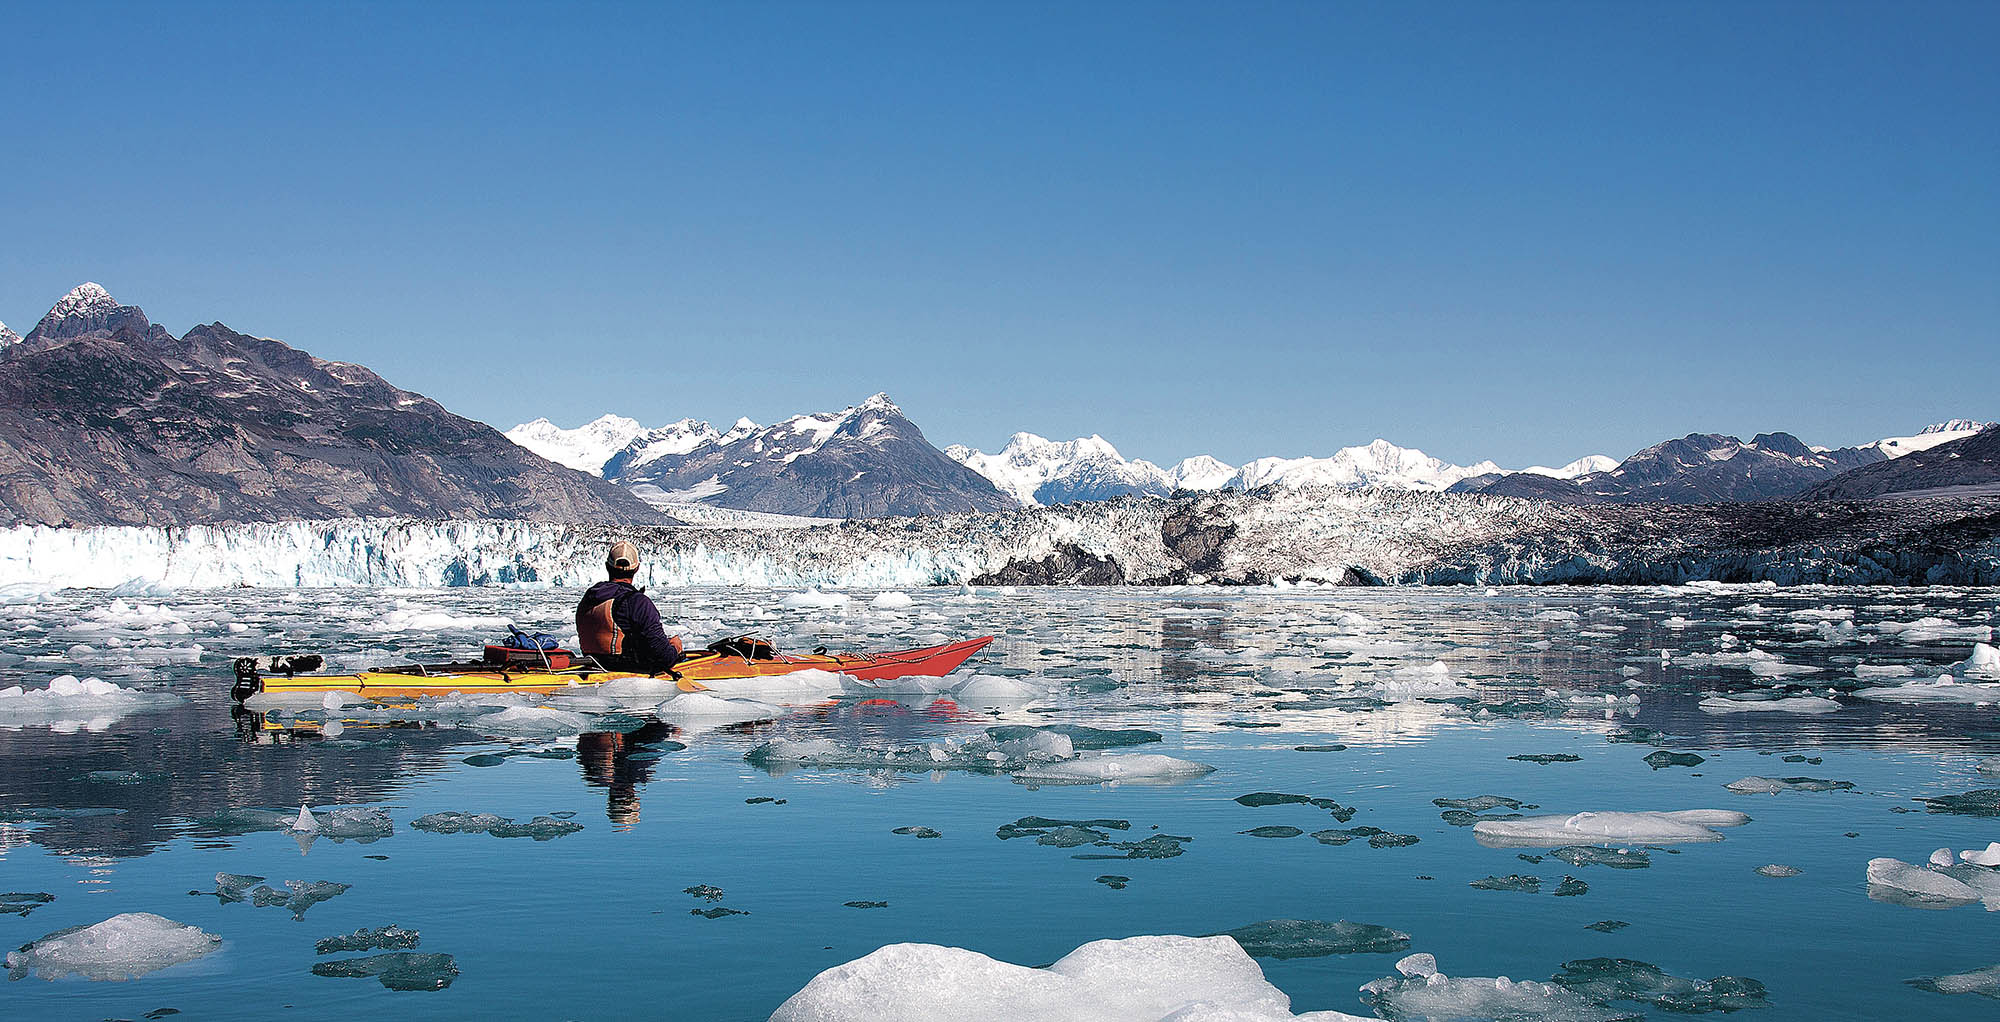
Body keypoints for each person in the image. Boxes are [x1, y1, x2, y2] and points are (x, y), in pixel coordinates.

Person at [575, 541, 685, 675]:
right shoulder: (637, 602)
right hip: (628, 671)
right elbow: (664, 658)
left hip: (593, 665)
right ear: (637, 568)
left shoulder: (589, 597)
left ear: (607, 566)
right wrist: (675, 648)